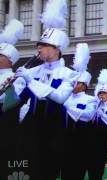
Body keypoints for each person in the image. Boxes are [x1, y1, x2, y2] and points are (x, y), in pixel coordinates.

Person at [14, 1, 77, 178]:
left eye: (43, 45)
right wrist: (11, 88)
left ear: (56, 49)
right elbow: (17, 101)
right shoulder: (31, 71)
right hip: (31, 126)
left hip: (54, 128)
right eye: (38, 45)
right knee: (26, 170)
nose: (38, 48)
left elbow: (59, 98)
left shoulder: (68, 74)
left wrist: (29, 80)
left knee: (48, 171)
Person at [61, 43, 96, 180]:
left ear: (84, 86)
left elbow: (88, 116)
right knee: (65, 171)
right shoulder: (65, 95)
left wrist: (67, 106)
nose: (74, 85)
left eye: (77, 83)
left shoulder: (90, 100)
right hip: (64, 139)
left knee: (77, 171)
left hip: (81, 141)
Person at [0, 19, 24, 180]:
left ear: (10, 60)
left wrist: (8, 90)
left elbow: (13, 103)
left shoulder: (17, 78)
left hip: (5, 128)